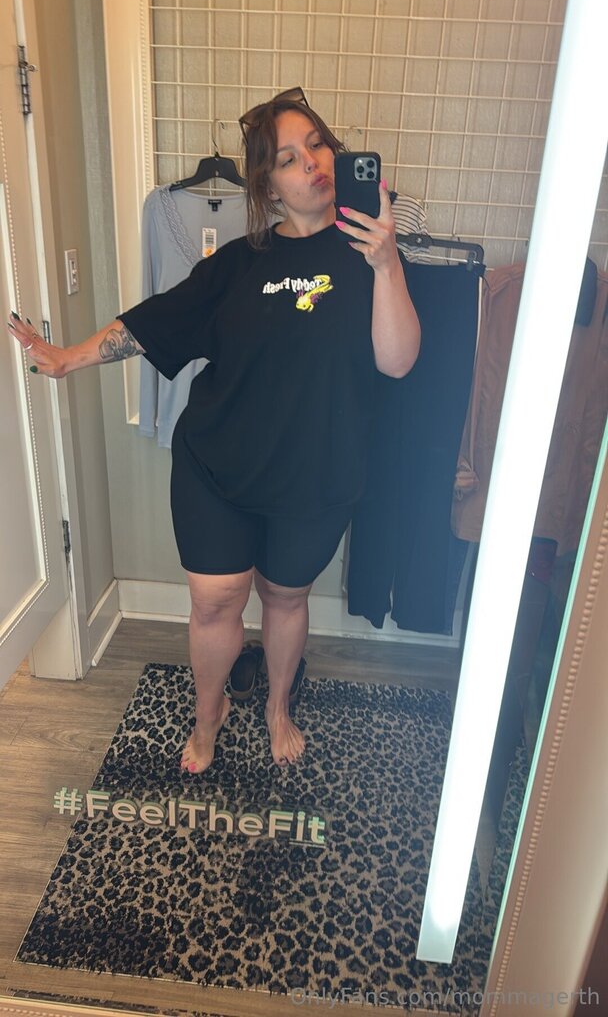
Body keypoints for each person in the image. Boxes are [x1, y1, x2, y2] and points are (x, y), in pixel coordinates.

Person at [7, 87, 420, 773]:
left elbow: (398, 361)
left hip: (316, 475)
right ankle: (209, 713)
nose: (311, 163)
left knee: (284, 596)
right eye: (287, 158)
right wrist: (67, 358)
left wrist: (387, 262)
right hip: (217, 465)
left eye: (317, 144)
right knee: (215, 600)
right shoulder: (238, 264)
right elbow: (155, 322)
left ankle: (277, 706)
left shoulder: (370, 256)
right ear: (268, 186)